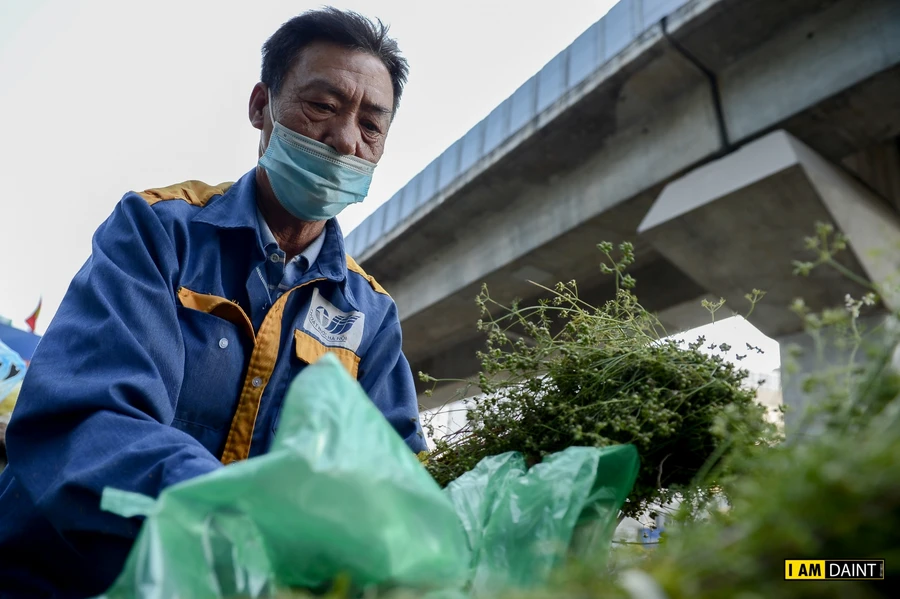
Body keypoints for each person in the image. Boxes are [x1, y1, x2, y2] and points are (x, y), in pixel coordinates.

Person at [0, 8, 426, 597]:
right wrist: (232, 521)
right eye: (323, 106)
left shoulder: (370, 317)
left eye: (371, 126)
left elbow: (393, 487)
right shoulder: (157, 232)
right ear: (261, 106)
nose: (345, 138)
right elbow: (89, 418)